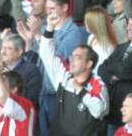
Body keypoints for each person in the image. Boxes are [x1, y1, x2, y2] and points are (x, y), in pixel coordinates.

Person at [39, 7, 109, 135]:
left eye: (77, 57)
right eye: (71, 56)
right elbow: (46, 54)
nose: (71, 60)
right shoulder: (64, 77)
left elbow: (99, 110)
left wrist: (81, 91)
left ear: (89, 63)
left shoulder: (97, 85)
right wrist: (49, 28)